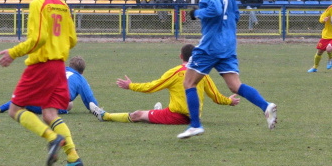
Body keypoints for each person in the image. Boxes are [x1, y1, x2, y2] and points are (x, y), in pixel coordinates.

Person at [0, 0, 82, 166]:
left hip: (41, 66)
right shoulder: (64, 6)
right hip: (59, 66)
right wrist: (58, 46)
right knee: (49, 113)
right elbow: (72, 40)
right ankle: (73, 158)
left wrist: (13, 53)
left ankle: (53, 138)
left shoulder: (37, 4)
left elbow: (37, 39)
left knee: (15, 110)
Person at [178, 0, 277, 139]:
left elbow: (215, 10)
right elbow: (236, 15)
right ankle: (265, 106)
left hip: (210, 45)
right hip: (228, 45)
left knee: (189, 83)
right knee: (235, 86)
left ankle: (195, 125)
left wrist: (196, 13)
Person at [89, 44, 240, 124]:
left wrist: (131, 85)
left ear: (181, 56)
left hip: (177, 116)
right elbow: (215, 96)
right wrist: (230, 101)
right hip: (193, 117)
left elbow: (152, 87)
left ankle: (105, 116)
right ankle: (157, 112)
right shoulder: (203, 73)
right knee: (148, 114)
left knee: (137, 115)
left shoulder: (175, 72)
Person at [0, 56, 100, 115]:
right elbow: (90, 101)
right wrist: (96, 109)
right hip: (50, 105)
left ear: (69, 66)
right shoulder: (81, 79)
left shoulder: (59, 69)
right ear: (82, 72)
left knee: (23, 100)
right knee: (67, 105)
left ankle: (0, 108)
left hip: (41, 95)